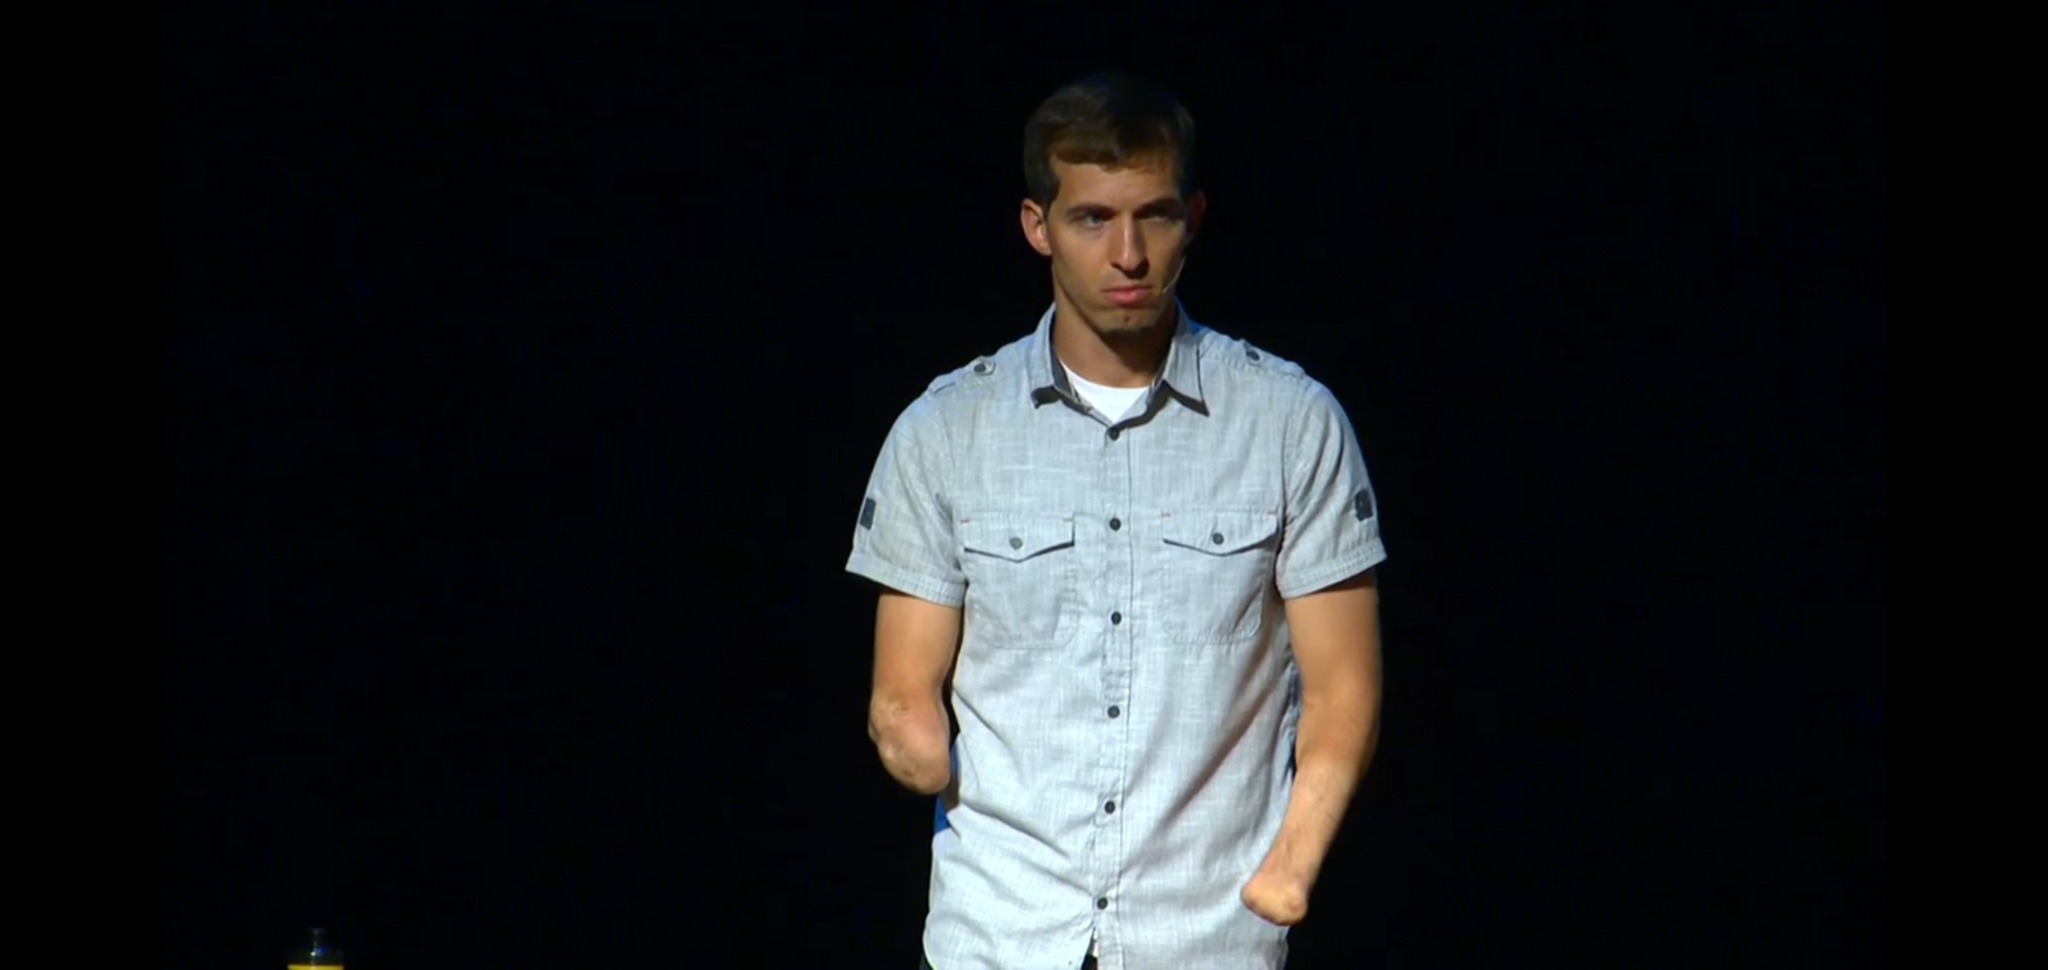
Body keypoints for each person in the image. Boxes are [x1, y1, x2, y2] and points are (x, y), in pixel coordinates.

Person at [846, 71, 1387, 970]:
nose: (1128, 254)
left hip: (1208, 936)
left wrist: (1290, 868)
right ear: (1038, 226)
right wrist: (912, 742)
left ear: (1194, 218)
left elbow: (1344, 690)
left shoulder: (1291, 423)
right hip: (1001, 934)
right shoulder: (945, 431)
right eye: (1093, 218)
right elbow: (904, 688)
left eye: (1155, 216)